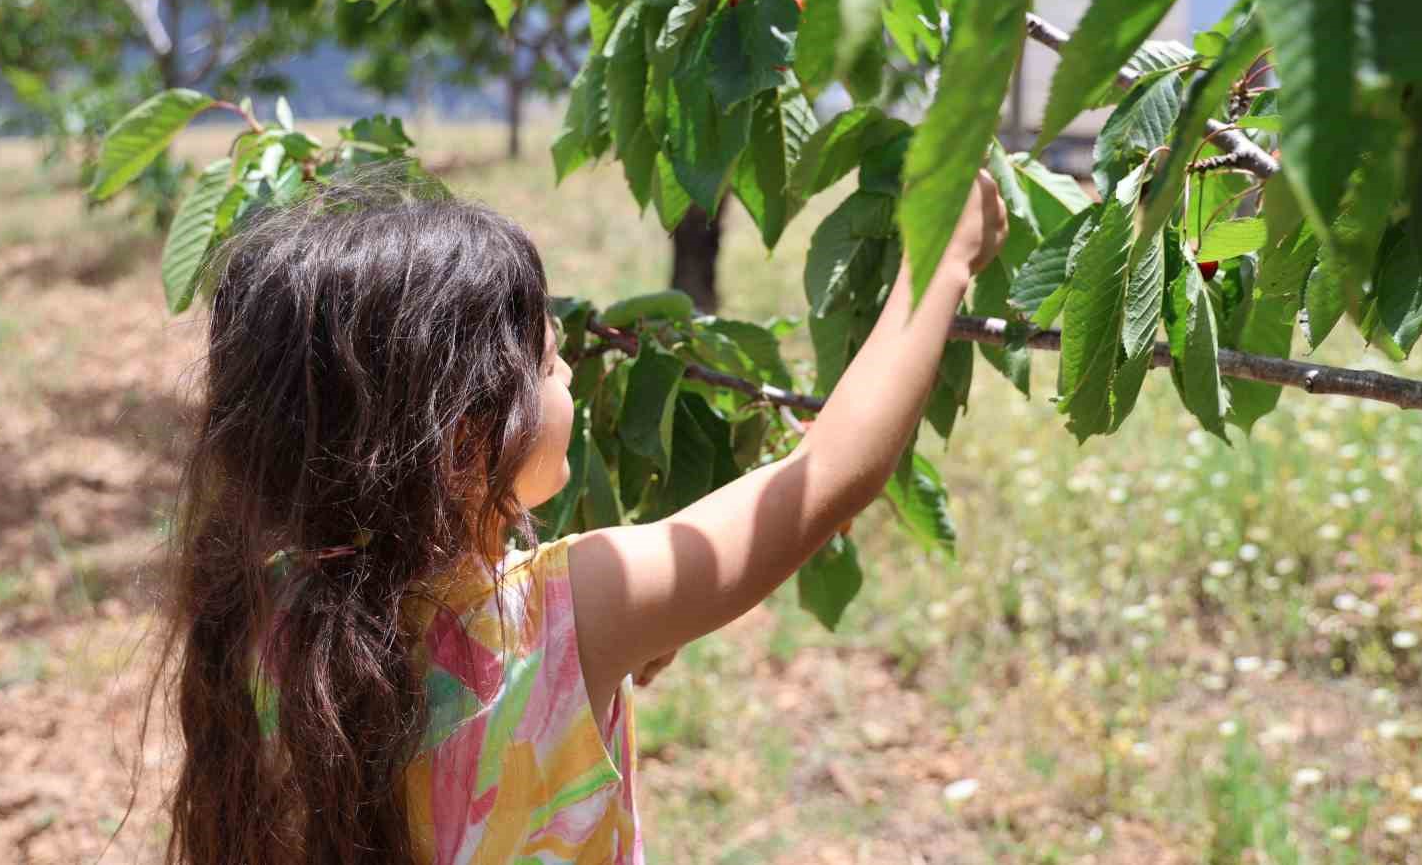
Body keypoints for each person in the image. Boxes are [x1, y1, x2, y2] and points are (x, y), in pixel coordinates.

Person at [147, 167, 1007, 865]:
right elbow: (834, 474)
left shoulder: (258, 616)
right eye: (552, 366)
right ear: (466, 440)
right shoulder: (570, 609)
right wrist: (945, 258)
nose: (566, 384)